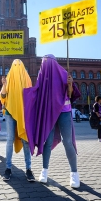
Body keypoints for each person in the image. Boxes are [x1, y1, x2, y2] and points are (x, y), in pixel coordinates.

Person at [23, 54, 81, 187]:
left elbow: (70, 94)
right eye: (44, 62)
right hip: (49, 112)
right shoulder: (42, 75)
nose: (45, 64)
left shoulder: (64, 73)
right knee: (47, 141)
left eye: (47, 62)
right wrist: (24, 93)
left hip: (64, 111)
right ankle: (44, 171)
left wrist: (70, 84)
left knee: (68, 142)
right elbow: (37, 91)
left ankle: (74, 173)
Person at [0, 59, 35, 182]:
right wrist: (4, 84)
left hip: (24, 114)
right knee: (10, 139)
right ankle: (8, 168)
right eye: (15, 65)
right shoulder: (8, 79)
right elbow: (3, 96)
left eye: (19, 65)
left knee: (25, 139)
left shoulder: (28, 79)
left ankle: (29, 169)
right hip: (10, 113)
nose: (17, 67)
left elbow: (31, 96)